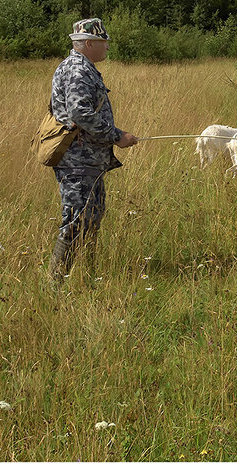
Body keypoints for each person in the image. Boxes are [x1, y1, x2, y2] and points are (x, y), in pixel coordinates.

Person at [48, 18, 138, 283]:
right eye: (103, 42)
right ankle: (56, 285)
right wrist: (117, 135)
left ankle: (86, 277)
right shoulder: (77, 69)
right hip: (78, 161)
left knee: (91, 218)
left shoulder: (83, 67)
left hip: (89, 160)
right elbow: (79, 113)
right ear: (89, 43)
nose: (107, 47)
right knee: (76, 220)